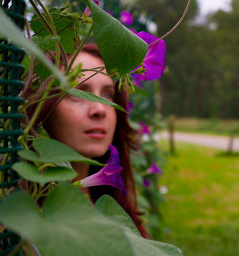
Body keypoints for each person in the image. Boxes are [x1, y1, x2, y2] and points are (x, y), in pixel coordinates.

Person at [24, 44, 149, 238]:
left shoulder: (115, 215)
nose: (100, 109)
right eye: (77, 92)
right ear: (43, 108)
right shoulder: (15, 229)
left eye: (108, 95)